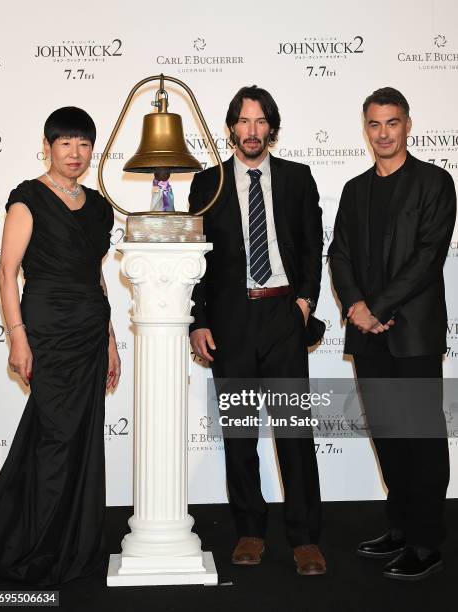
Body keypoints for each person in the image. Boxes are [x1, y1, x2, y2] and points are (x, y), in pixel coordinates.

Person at [189, 86, 325, 575]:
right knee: (239, 435)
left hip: (283, 317)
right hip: (232, 323)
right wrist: (199, 320)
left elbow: (313, 247)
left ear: (272, 127)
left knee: (294, 434)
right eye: (243, 121)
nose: (251, 131)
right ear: (231, 128)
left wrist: (305, 304)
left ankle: (305, 538)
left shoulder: (296, 178)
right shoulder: (209, 184)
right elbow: (198, 263)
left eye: (260, 121)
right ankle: (249, 529)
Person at [328, 87, 456, 580]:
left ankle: (427, 542)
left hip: (414, 335)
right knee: (386, 434)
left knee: (420, 437)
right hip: (369, 335)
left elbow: (427, 258)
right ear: (367, 129)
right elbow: (338, 254)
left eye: (393, 123)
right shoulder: (356, 189)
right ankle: (401, 526)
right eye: (375, 124)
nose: (384, 133)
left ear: (408, 125)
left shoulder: (434, 183)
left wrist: (376, 306)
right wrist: (358, 309)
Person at [0, 107, 121, 585]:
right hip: (47, 328)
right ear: (48, 146)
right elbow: (7, 273)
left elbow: (97, 277)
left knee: (81, 438)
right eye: (65, 143)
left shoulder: (99, 206)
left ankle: (74, 544)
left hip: (89, 328)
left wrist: (110, 342)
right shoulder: (27, 199)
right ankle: (35, 546)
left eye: (84, 144)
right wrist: (17, 338)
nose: (75, 153)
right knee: (55, 438)